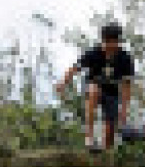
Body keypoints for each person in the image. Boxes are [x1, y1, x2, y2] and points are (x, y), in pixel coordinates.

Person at [56, 22, 135, 150]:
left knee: (109, 131)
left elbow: (127, 85)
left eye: (114, 43)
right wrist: (63, 83)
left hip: (112, 93)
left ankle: (105, 153)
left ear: (119, 42)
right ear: (103, 41)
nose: (111, 46)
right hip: (94, 86)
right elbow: (74, 68)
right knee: (94, 90)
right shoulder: (93, 53)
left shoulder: (125, 58)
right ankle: (89, 136)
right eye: (107, 43)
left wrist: (124, 109)